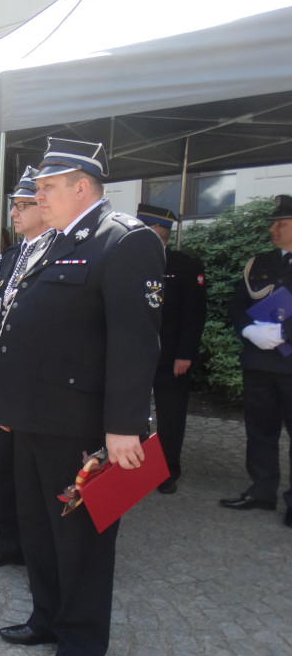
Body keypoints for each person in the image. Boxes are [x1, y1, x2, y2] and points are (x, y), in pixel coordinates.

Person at [0, 137, 164, 656]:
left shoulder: (122, 241)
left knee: (81, 539)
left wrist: (123, 428)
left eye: (46, 188)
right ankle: (47, 618)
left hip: (81, 425)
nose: (38, 197)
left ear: (81, 187)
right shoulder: (50, 242)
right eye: (36, 189)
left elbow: (134, 342)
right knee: (38, 530)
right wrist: (9, 406)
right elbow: (18, 331)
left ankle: (82, 645)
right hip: (32, 417)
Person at [0, 167, 47, 568]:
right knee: (1, 469)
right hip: (0, 380)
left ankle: (36, 547)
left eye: (23, 205)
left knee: (30, 475)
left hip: (34, 386)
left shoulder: (55, 253)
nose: (14, 214)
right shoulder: (8, 259)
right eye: (13, 206)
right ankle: (8, 541)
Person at [222, 194, 292, 528]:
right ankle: (262, 491)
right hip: (259, 363)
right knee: (260, 432)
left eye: (281, 223)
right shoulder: (260, 261)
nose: (272, 228)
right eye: (274, 222)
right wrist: (249, 330)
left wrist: (285, 333)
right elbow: (237, 303)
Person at [136, 203, 207, 494]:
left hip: (171, 357)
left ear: (158, 233)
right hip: (136, 356)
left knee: (171, 416)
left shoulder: (185, 266)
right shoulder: (129, 262)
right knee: (132, 414)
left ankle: (165, 472)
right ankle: (134, 468)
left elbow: (195, 314)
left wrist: (185, 354)